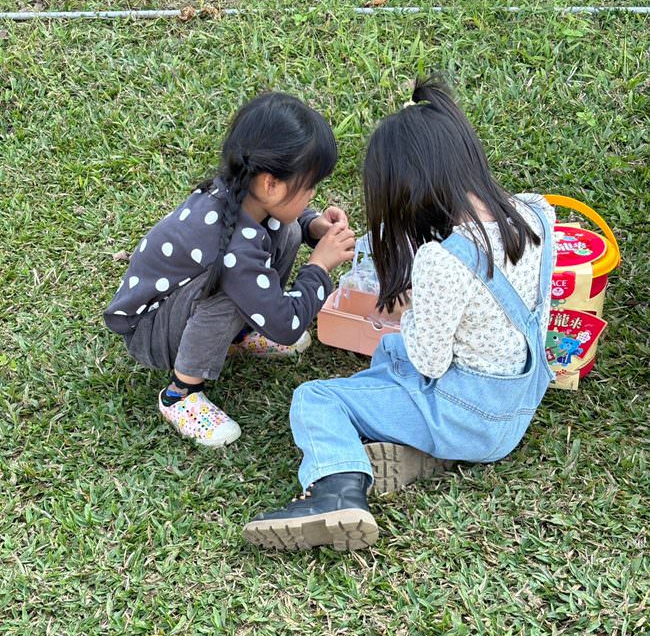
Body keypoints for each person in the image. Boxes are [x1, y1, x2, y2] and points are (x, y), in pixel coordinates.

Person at [244, 75, 556, 551]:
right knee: (391, 352)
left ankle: (336, 490)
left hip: (465, 413)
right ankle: (425, 450)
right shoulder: (536, 214)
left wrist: (413, 307)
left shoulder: (443, 260)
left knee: (317, 398)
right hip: (515, 409)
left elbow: (430, 361)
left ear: (408, 187)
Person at [104, 92, 355, 447]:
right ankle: (181, 393)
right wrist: (319, 266)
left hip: (178, 303)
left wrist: (313, 226)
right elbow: (287, 326)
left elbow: (286, 218)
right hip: (151, 331)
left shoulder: (238, 193)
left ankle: (239, 335)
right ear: (270, 184)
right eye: (309, 186)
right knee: (229, 289)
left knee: (287, 232)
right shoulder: (235, 248)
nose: (313, 194)